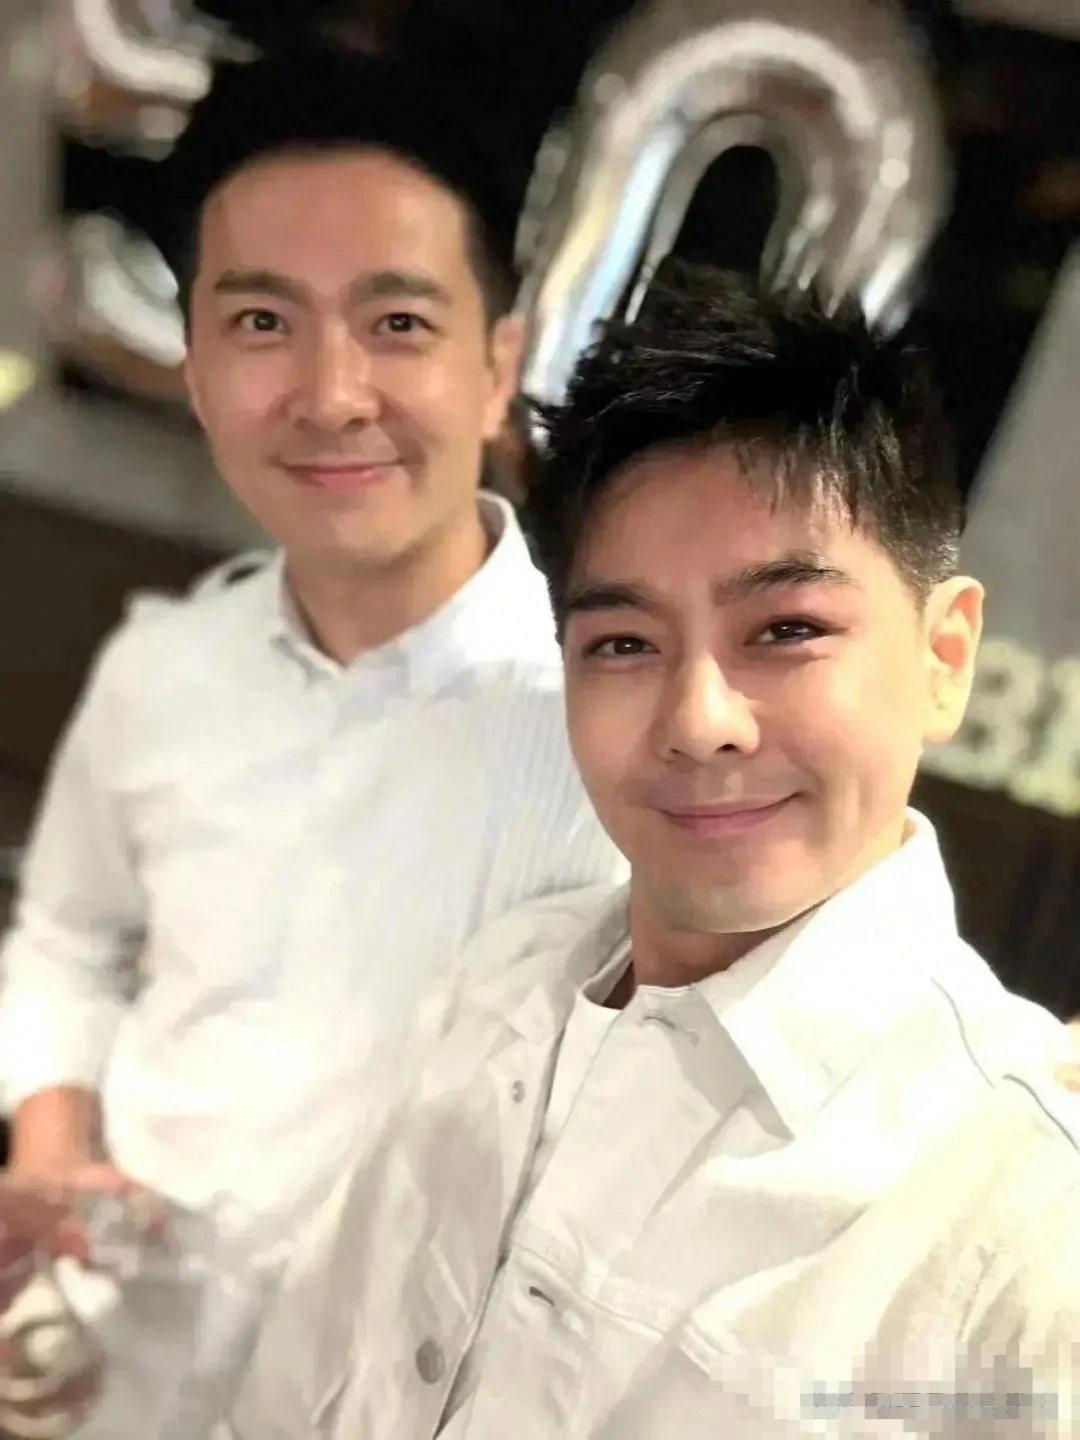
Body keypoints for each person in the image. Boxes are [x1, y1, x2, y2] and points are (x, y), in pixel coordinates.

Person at [223, 265, 1080, 1438]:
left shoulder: (1020, 1221)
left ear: (943, 656)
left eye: (786, 629)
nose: (698, 719)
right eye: (623, 644)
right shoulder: (500, 985)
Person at [0, 45, 622, 1236]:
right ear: (195, 369)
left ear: (497, 367)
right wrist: (50, 1156)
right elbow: (67, 944)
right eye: (261, 321)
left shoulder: (602, 734)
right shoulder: (159, 672)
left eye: (397, 321)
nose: (332, 395)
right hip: (109, 1328)